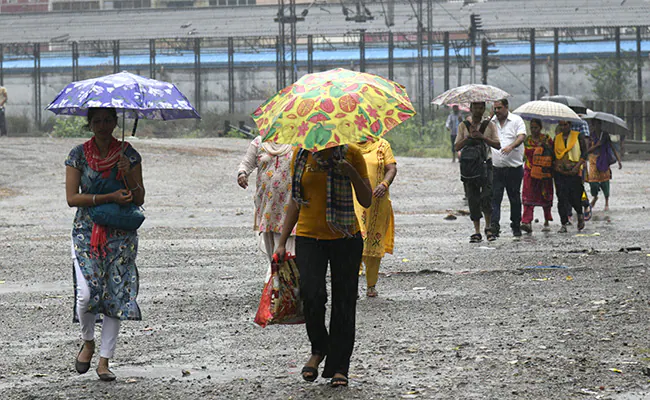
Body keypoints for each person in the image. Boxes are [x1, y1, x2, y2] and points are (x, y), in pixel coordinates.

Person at [274, 144, 371, 387]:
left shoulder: (352, 154)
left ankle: (340, 367)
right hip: (309, 238)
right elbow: (295, 201)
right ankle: (319, 348)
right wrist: (282, 241)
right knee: (312, 293)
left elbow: (366, 199)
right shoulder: (302, 155)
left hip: (346, 237)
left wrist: (350, 172)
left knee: (344, 302)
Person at [65, 107, 145, 381]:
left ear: (115, 122)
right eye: (97, 120)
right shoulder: (77, 155)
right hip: (86, 231)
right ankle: (88, 341)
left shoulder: (128, 154)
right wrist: (108, 196)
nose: (103, 125)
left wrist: (129, 174)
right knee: (86, 295)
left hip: (120, 234)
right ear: (89, 124)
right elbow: (72, 198)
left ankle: (104, 361)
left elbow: (139, 197)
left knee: (114, 294)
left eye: (108, 120)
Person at [237, 136, 295, 260]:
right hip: (267, 204)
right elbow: (246, 163)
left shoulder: (297, 141)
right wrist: (242, 173)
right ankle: (275, 276)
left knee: (289, 252)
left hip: (290, 204)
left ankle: (282, 276)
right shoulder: (259, 142)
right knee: (272, 253)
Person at [353, 138, 397, 298]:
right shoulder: (348, 147)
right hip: (354, 202)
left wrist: (384, 184)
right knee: (354, 241)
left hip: (377, 202)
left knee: (373, 240)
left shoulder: (382, 145)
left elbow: (391, 168)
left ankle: (371, 285)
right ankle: (353, 284)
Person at [455, 101, 501, 243]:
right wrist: (468, 137)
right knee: (473, 199)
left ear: (484, 109)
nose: (479, 110)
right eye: (476, 107)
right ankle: (476, 231)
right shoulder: (463, 126)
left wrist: (482, 138)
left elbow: (497, 145)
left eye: (481, 107)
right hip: (469, 167)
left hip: (486, 165)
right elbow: (456, 146)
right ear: (471, 108)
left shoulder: (490, 125)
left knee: (487, 196)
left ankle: (488, 228)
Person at [490, 99, 527, 238]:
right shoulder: (491, 122)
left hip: (514, 168)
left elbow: (522, 136)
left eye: (499, 108)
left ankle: (516, 226)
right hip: (497, 168)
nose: (497, 111)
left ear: (506, 107)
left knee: (514, 198)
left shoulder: (517, 120)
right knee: (495, 198)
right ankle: (494, 226)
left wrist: (511, 146)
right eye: (495, 108)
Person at [553, 120, 588, 233]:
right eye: (561, 125)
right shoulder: (557, 138)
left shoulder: (578, 137)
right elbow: (554, 155)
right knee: (561, 198)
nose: (563, 127)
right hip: (560, 173)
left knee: (575, 197)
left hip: (574, 171)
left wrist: (577, 167)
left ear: (570, 125)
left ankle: (580, 214)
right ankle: (563, 223)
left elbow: (584, 153)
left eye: (565, 125)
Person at [521, 118, 554, 233]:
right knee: (528, 197)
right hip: (530, 172)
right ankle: (527, 222)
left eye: (536, 127)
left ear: (540, 127)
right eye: (532, 128)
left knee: (545, 195)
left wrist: (544, 146)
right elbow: (524, 154)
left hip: (544, 172)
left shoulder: (547, 138)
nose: (534, 130)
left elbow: (552, 152)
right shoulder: (527, 140)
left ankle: (547, 219)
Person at [586, 119, 622, 211]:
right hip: (593, 160)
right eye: (595, 124)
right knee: (593, 181)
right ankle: (595, 196)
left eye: (598, 124)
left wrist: (618, 160)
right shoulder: (590, 136)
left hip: (604, 159)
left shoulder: (605, 135)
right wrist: (596, 145)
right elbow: (587, 150)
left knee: (605, 181)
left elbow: (612, 147)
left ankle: (606, 202)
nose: (597, 126)